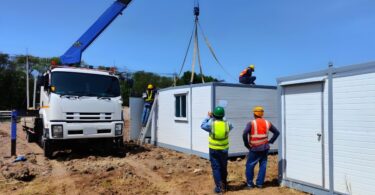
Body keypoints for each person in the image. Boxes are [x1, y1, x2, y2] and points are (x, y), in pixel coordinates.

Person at [242, 106, 279, 188]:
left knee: (250, 165)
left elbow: (244, 134)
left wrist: (247, 144)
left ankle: (250, 184)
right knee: (263, 165)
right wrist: (270, 141)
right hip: (265, 147)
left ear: (254, 114)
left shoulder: (251, 123)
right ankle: (259, 184)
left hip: (254, 148)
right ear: (262, 114)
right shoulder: (267, 123)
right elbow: (277, 132)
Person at [201, 106, 233, 194]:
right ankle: (225, 185)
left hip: (214, 149)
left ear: (214, 115)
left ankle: (219, 188)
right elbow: (230, 126)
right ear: (223, 115)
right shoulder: (227, 123)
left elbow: (202, 125)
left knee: (216, 168)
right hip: (224, 149)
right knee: (223, 167)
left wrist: (208, 117)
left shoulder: (211, 123)